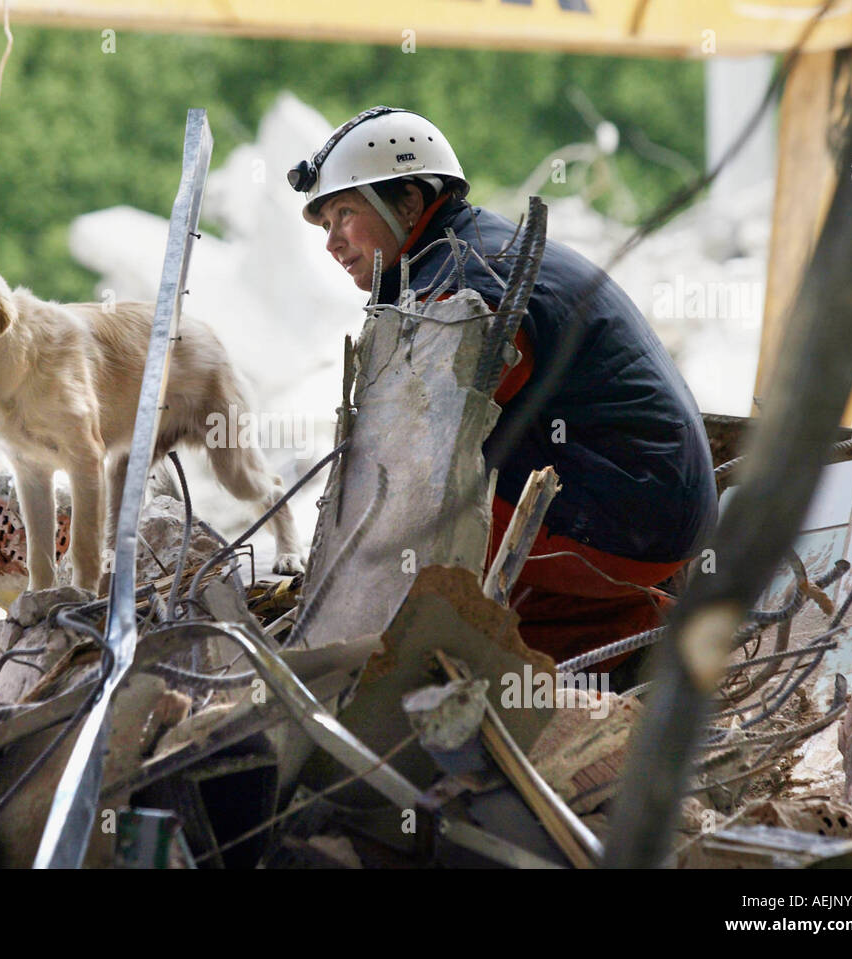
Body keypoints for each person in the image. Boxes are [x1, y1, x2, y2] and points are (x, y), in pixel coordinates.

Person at [289, 106, 719, 667]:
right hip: (654, 511)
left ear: (411, 202)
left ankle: (574, 651)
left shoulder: (468, 283)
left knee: (415, 528)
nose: (332, 243)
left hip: (631, 525)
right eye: (325, 226)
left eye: (344, 214)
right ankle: (623, 643)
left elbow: (423, 458)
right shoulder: (467, 253)